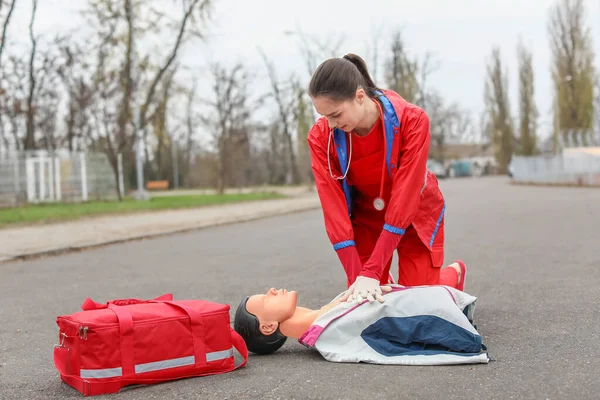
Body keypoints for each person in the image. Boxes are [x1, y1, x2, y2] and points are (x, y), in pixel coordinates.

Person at [307, 53, 456, 304]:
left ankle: (451, 276)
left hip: (415, 213)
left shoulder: (412, 120)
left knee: (417, 306)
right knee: (369, 305)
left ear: (359, 96)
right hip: (368, 217)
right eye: (324, 117)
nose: (330, 125)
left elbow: (405, 199)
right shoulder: (322, 137)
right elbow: (333, 209)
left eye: (336, 114)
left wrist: (373, 271)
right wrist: (358, 278)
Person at [233, 262, 489, 365]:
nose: (272, 290)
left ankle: (452, 274)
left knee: (418, 277)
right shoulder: (329, 336)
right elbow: (393, 352)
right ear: (267, 327)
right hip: (432, 308)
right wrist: (463, 346)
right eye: (266, 299)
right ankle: (452, 274)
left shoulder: (321, 319)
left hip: (423, 298)